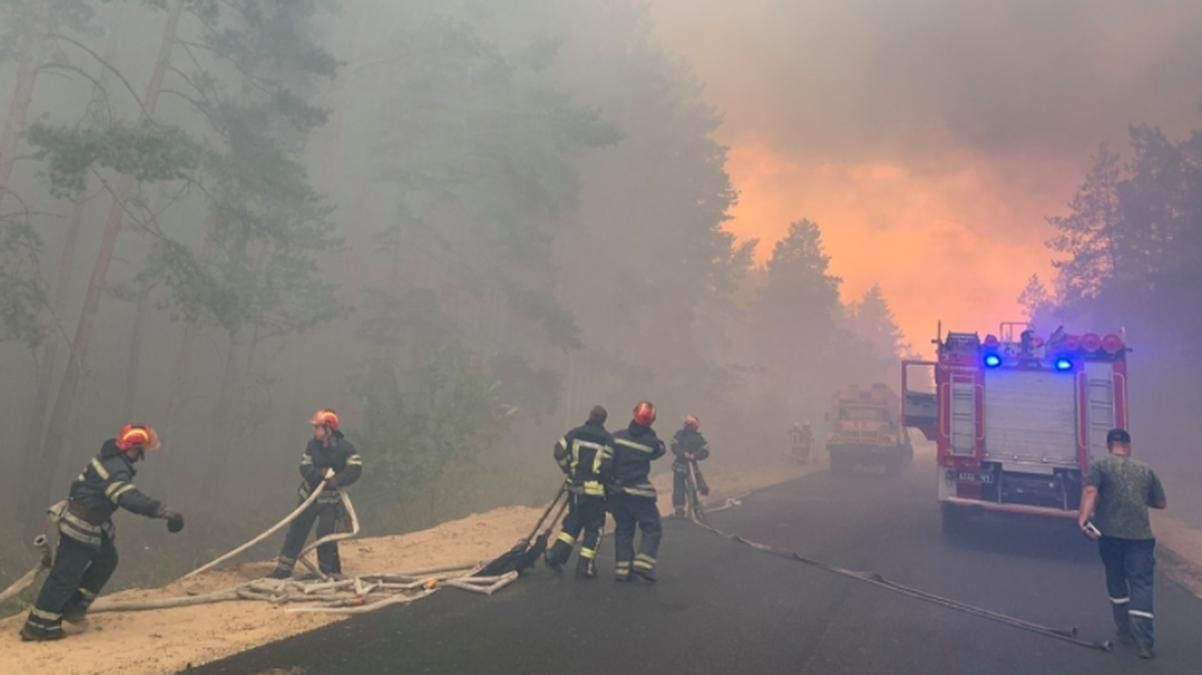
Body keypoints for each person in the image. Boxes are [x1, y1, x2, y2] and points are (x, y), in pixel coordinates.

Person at [21, 425, 184, 641]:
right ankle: (39, 626)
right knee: (65, 576)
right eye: (141, 451)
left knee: (107, 560)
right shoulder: (117, 469)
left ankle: (74, 607)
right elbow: (127, 497)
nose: (140, 456)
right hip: (81, 524)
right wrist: (162, 511)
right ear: (134, 449)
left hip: (93, 522)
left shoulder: (109, 458)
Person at [1078, 428, 1167, 659]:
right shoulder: (1146, 470)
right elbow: (1160, 502)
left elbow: (1090, 491)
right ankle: (1145, 643)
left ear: (1109, 445)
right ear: (1128, 446)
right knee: (1142, 584)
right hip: (1141, 538)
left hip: (1111, 537)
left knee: (1116, 581)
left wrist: (1083, 518)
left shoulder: (1100, 466)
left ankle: (1124, 631)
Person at [268, 409, 363, 580]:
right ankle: (283, 570)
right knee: (297, 531)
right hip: (309, 498)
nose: (314, 431)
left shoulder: (345, 448)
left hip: (331, 502)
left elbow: (355, 469)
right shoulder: (312, 446)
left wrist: (338, 479)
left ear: (328, 430)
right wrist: (320, 474)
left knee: (326, 535)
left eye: (318, 427)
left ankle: (329, 573)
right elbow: (304, 467)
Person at [545, 405, 615, 579]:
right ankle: (585, 566)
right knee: (594, 528)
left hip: (575, 488)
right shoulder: (607, 439)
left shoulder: (575, 433)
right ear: (604, 420)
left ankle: (555, 556)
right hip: (595, 491)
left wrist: (568, 469)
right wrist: (610, 487)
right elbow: (607, 467)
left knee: (573, 523)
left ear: (589, 415)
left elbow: (558, 450)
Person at [608, 401, 666, 582]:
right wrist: (651, 433)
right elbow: (660, 450)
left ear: (633, 415)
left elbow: (606, 460)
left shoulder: (616, 437)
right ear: (651, 421)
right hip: (639, 493)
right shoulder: (651, 442)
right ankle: (643, 564)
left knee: (624, 529)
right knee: (652, 527)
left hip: (617, 492)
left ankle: (622, 570)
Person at [671, 415, 711, 518]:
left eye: (693, 424)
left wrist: (695, 455)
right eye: (690, 424)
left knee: (694, 486)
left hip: (693, 466)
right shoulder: (679, 435)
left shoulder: (699, 438)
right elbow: (674, 446)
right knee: (679, 487)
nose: (691, 426)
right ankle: (679, 509)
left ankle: (695, 507)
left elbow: (705, 450)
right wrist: (683, 454)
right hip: (680, 465)